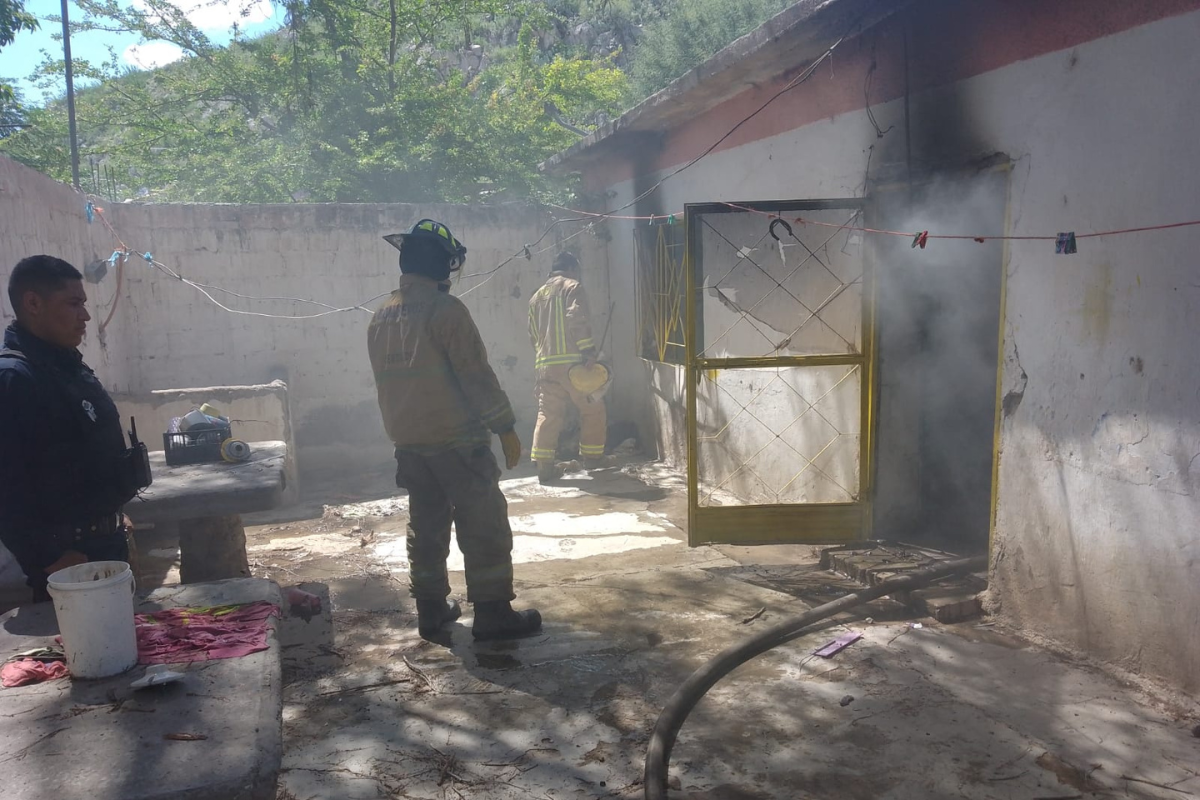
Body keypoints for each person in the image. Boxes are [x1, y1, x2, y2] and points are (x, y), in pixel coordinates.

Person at [368, 220, 542, 641]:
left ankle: (430, 610)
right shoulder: (446, 310)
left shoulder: (381, 315)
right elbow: (475, 375)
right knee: (483, 524)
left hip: (409, 443)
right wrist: (505, 426)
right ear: (440, 263)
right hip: (456, 442)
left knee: (426, 525)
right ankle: (493, 612)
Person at [0, 256, 146, 603]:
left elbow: (87, 456)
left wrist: (112, 515)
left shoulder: (68, 368)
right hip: (67, 562)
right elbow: (6, 487)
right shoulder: (14, 380)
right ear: (33, 303)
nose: (86, 315)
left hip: (106, 544)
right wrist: (46, 559)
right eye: (73, 303)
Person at [528, 251, 606, 483]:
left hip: (545, 366)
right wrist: (588, 351)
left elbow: (533, 334)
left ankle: (544, 466)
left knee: (548, 414)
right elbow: (576, 319)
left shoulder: (536, 297)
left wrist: (545, 357)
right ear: (571, 268)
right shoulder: (573, 287)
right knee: (593, 407)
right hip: (573, 366)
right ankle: (592, 458)